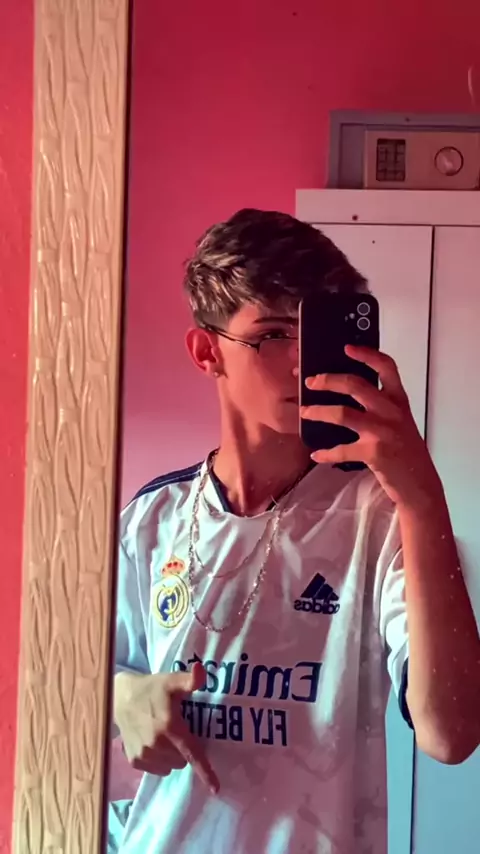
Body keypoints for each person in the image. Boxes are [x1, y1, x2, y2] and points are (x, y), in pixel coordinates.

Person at [112, 209, 480, 854]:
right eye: (275, 333)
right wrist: (121, 695)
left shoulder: (383, 518)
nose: (302, 360)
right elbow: (68, 688)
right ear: (207, 352)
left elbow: (450, 735)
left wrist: (423, 497)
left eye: (316, 332)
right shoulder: (151, 520)